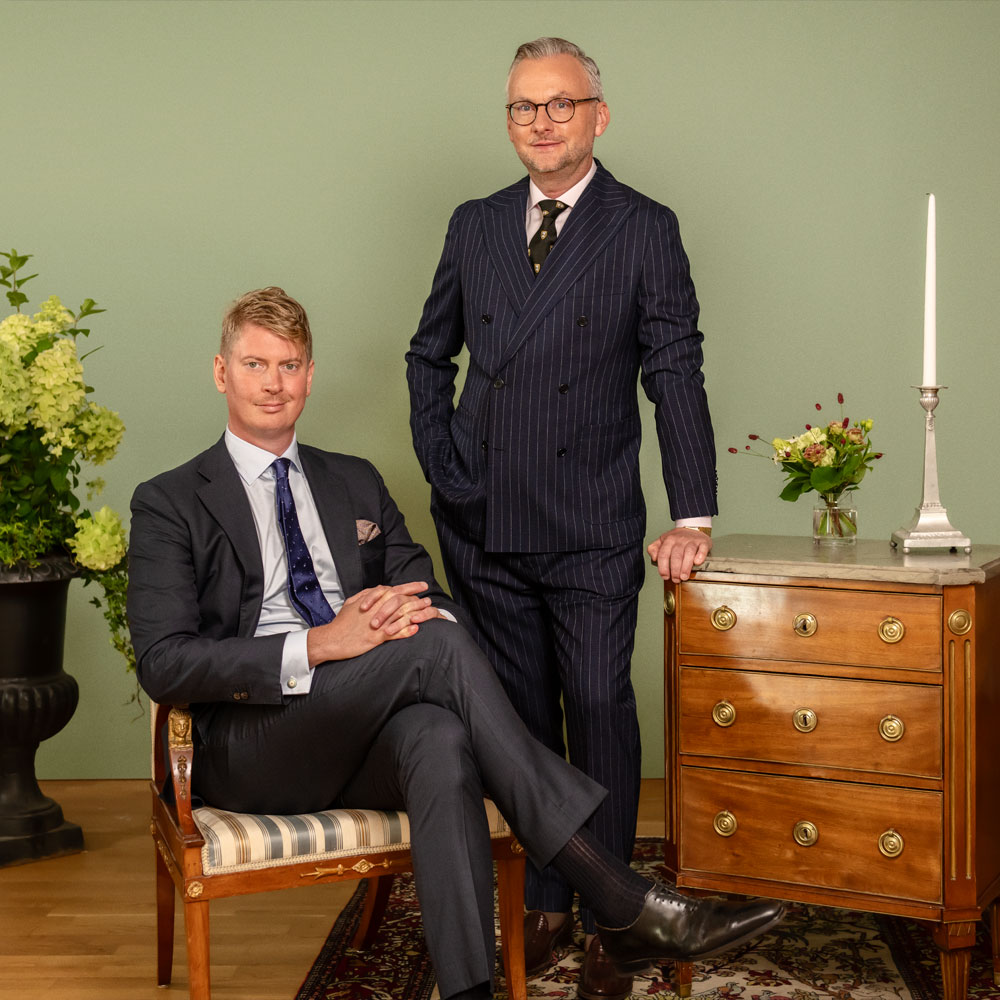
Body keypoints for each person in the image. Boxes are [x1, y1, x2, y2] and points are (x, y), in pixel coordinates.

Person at [128, 288, 780, 1000]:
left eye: (289, 365)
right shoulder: (169, 500)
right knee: (436, 652)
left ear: (310, 376)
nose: (273, 383)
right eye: (254, 364)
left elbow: (429, 596)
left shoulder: (355, 480)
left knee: (437, 738)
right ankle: (618, 897)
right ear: (221, 372)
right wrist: (321, 644)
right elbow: (165, 663)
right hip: (251, 744)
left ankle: (471, 991)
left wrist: (391, 625)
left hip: (359, 725)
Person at [406, 36, 717, 997]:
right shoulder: (475, 223)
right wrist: (446, 469)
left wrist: (694, 515)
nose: (540, 122)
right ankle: (547, 900)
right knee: (520, 713)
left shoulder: (643, 227)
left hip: (590, 517)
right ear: (509, 121)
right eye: (523, 107)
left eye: (560, 104)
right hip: (483, 517)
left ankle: (615, 919)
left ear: (598, 116)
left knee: (598, 704)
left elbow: (674, 371)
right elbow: (428, 356)